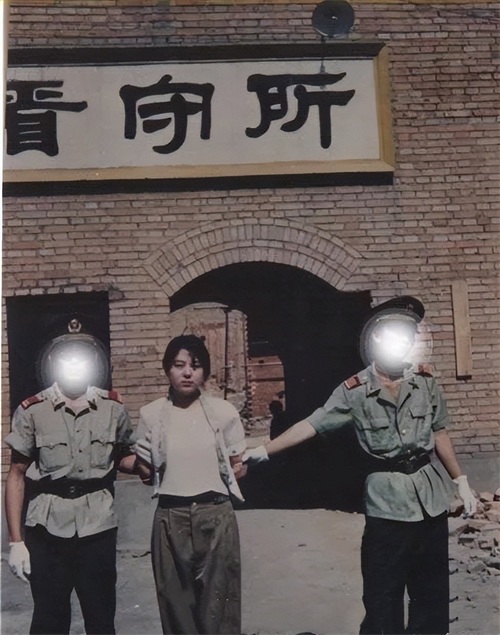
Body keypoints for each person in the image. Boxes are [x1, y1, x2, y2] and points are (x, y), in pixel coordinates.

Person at [244, 297, 477, 635]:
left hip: (430, 501)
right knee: (383, 597)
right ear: (377, 338)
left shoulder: (425, 382)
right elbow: (313, 424)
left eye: (409, 338)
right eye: (396, 336)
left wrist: (461, 480)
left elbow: (439, 432)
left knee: (431, 598)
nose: (403, 344)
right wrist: (264, 450)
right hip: (386, 504)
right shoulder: (353, 390)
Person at [4, 327, 146, 635]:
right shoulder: (33, 410)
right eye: (66, 359)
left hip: (98, 526)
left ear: (93, 362)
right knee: (49, 621)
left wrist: (145, 464)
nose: (73, 365)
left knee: (101, 620)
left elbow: (123, 456)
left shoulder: (113, 408)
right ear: (53, 363)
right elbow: (16, 475)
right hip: (47, 527)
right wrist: (16, 542)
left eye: (80, 358)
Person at [133, 334, 247, 635]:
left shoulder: (224, 412)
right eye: (178, 365)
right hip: (170, 517)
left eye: (195, 366)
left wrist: (235, 469)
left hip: (216, 514)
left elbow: (238, 464)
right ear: (167, 369)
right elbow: (146, 473)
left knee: (220, 609)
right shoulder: (151, 414)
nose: (187, 373)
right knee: (176, 610)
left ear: (205, 372)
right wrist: (144, 462)